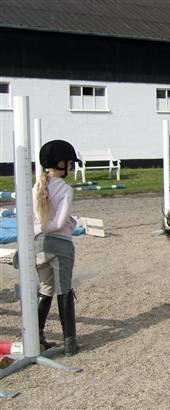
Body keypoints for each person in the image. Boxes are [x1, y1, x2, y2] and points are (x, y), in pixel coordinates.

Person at [33, 140, 81, 356]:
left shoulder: (37, 186)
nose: (71, 167)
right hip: (60, 245)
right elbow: (59, 224)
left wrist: (40, 228)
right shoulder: (65, 189)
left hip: (38, 245)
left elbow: (41, 219)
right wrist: (70, 223)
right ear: (62, 164)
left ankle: (38, 336)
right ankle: (70, 342)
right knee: (64, 290)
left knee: (45, 289)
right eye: (70, 163)